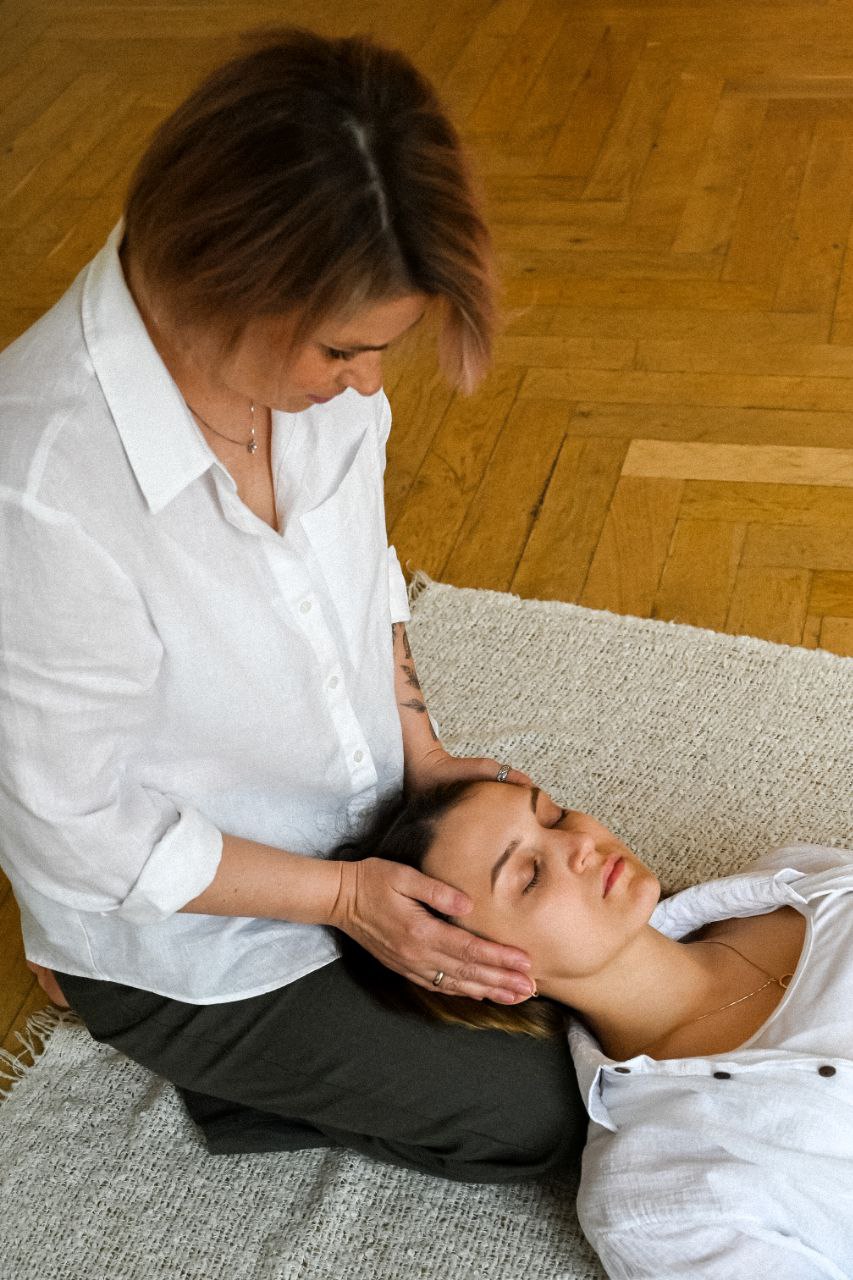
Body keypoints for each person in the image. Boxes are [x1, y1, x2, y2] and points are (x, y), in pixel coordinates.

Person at [0, 28, 586, 1181]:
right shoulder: (40, 497)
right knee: (545, 1108)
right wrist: (347, 898)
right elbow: (76, 831)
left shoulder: (315, 386)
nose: (368, 383)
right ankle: (140, 1018)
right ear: (227, 286)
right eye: (344, 350)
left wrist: (420, 754)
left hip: (353, 823)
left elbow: (358, 569)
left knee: (620, 986)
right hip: (181, 926)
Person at [338, 777, 853, 1277]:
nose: (580, 843)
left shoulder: (804, 879)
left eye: (554, 816)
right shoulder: (662, 1190)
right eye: (529, 875)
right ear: (480, 971)